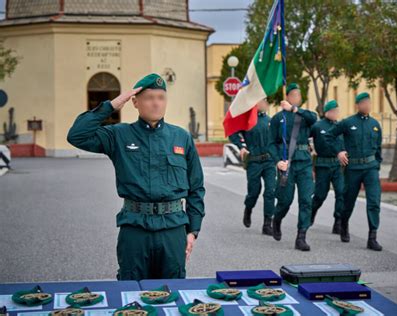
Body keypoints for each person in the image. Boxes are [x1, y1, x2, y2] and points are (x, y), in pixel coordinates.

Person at [67, 73, 205, 279]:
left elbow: (196, 187)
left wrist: (193, 230)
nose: (156, 103)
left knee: (173, 291)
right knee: (131, 289)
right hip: (135, 228)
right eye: (149, 98)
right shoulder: (118, 135)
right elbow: (77, 135)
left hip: (173, 228)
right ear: (135, 102)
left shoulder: (181, 137)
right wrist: (111, 105)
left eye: (161, 97)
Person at [326, 92, 383, 251]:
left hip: (370, 168)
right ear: (357, 105)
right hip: (353, 169)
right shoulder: (348, 122)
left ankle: (372, 237)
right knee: (348, 201)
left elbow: (378, 148)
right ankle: (343, 224)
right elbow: (329, 136)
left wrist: (377, 164)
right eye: (363, 103)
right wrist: (339, 151)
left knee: (374, 201)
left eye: (369, 102)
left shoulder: (375, 124)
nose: (367, 105)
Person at [268, 83, 318, 251]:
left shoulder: (304, 115)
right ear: (287, 96)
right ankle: (277, 219)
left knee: (305, 200)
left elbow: (314, 118)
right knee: (285, 200)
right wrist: (277, 161)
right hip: (287, 164)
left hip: (304, 162)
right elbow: (271, 144)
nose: (297, 97)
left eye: (299, 95)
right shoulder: (278, 119)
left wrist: (295, 109)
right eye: (294, 94)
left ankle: (301, 236)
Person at [229, 99, 276, 235]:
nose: (266, 104)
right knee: (254, 192)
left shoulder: (270, 120)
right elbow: (233, 133)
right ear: (255, 104)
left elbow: (278, 140)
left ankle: (268, 223)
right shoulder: (247, 120)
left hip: (269, 162)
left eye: (267, 101)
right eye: (263, 101)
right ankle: (248, 209)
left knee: (270, 192)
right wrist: (241, 146)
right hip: (254, 162)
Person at [309, 100, 344, 234]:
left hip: (337, 165)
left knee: (341, 193)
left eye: (337, 111)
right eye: (334, 111)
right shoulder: (317, 126)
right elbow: (304, 137)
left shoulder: (340, 126)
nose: (336, 114)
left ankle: (338, 222)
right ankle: (311, 214)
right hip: (322, 165)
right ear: (327, 112)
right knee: (320, 195)